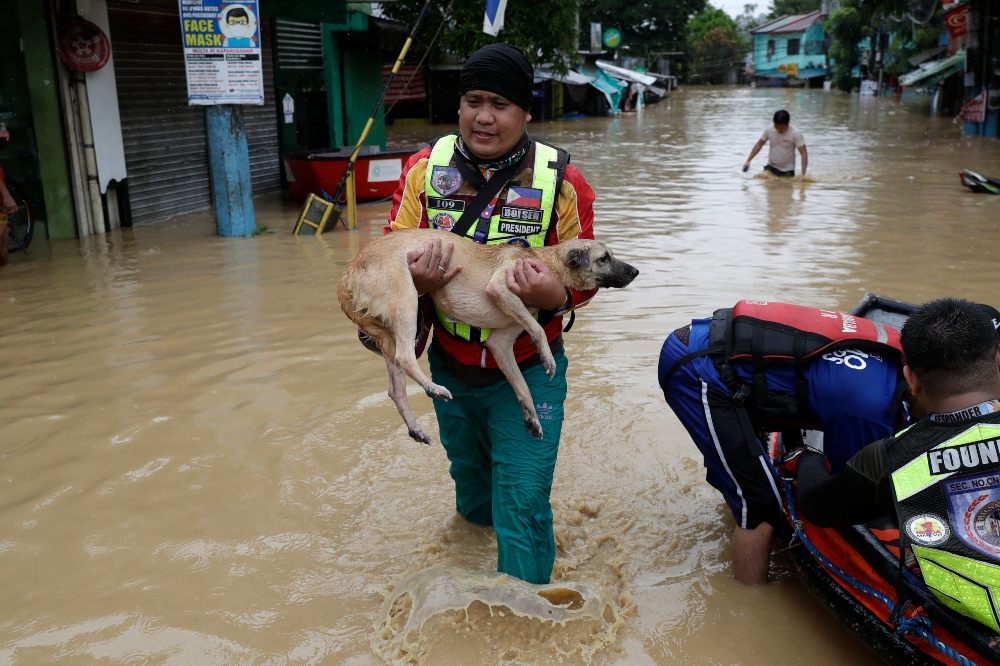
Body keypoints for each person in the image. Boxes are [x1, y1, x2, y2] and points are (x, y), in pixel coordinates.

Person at [381, 43, 599, 585]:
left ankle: (524, 623)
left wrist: (556, 297)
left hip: (526, 368)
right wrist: (418, 282)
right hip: (451, 372)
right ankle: (474, 575)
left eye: (500, 103)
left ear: (526, 111)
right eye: (473, 100)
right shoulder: (420, 173)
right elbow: (387, 258)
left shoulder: (564, 183)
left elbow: (588, 277)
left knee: (522, 502)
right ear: (458, 107)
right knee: (474, 495)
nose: (484, 116)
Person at [657, 300, 906, 583]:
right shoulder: (871, 404)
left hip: (726, 351)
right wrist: (808, 461)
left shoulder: (893, 350)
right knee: (760, 503)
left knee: (749, 472)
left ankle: (738, 489)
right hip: (699, 370)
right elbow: (844, 491)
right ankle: (749, 608)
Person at [795, 298, 1000, 632]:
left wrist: (809, 457)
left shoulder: (887, 458)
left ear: (911, 379)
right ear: (998, 359)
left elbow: (815, 507)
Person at [743, 109, 808, 180]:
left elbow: (803, 153)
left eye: (781, 128)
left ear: (788, 124)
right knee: (764, 181)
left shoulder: (795, 133)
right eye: (776, 127)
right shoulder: (770, 130)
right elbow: (759, 144)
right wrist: (748, 160)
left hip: (787, 170)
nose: (779, 130)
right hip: (771, 167)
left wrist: (803, 175)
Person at [0, 164, 17, 266]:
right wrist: (7, 196)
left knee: (2, 241)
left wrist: (6, 196)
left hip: (1, 206)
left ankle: (8, 276)